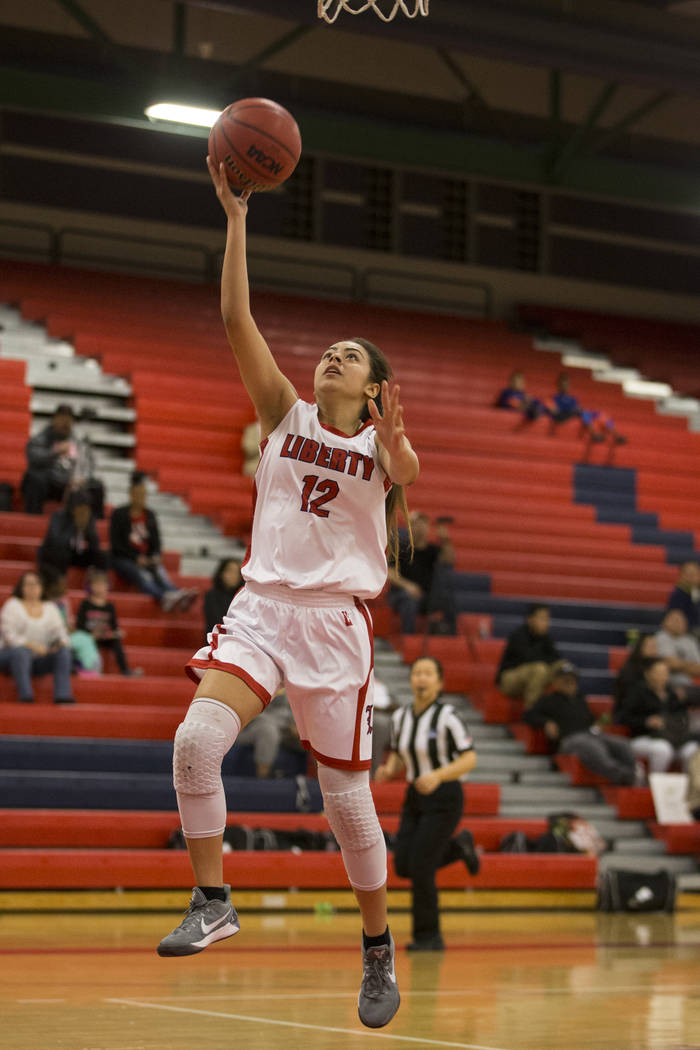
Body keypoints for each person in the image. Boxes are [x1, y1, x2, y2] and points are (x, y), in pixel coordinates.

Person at [156, 157, 419, 1031]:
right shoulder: (283, 414)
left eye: (348, 357)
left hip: (336, 629)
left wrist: (395, 439)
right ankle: (212, 899)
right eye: (329, 350)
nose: (329, 357)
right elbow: (236, 316)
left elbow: (408, 472)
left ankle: (377, 949)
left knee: (348, 803)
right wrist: (236, 217)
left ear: (372, 388)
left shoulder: (382, 451)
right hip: (263, 610)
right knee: (196, 743)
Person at [375, 657, 480, 951]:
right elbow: (399, 753)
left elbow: (470, 758)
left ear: (439, 682)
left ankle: (429, 936)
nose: (421, 678)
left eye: (428, 673)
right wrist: (389, 769)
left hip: (445, 795)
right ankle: (459, 847)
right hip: (415, 796)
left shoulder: (448, 716)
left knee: (422, 866)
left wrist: (438, 775)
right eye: (417, 673)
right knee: (404, 865)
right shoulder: (401, 717)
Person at [524, 661, 640, 786]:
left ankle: (635, 774)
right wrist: (546, 722)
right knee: (592, 746)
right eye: (565, 680)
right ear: (556, 682)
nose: (570, 684)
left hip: (589, 734)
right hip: (568, 740)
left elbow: (590, 720)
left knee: (622, 744)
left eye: (573, 680)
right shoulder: (547, 700)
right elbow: (528, 715)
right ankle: (622, 776)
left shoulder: (580, 699)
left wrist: (598, 722)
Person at [110, 471, 197, 613]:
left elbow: (156, 542)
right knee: (143, 576)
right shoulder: (119, 514)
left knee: (159, 571)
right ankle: (163, 597)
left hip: (146, 558)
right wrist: (136, 558)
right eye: (138, 495)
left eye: (143, 495)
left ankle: (176, 593)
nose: (141, 498)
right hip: (124, 559)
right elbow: (116, 544)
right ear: (131, 495)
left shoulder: (150, 515)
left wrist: (155, 555)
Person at [0, 570, 74, 703]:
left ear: (42, 587)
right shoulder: (12, 605)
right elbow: (9, 635)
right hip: (10, 656)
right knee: (21, 652)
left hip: (39, 658)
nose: (32, 588)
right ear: (21, 587)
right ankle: (26, 696)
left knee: (64, 652)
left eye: (36, 584)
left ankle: (63, 696)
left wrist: (61, 643)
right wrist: (32, 646)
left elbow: (60, 632)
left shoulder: (50, 607)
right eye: (28, 584)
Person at [616, 657, 700, 773]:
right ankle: (654, 783)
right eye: (658, 673)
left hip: (673, 738)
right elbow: (623, 717)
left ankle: (688, 787)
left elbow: (682, 715)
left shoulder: (672, 694)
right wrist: (646, 721)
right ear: (647, 674)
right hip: (643, 737)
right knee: (663, 749)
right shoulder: (637, 693)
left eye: (665, 673)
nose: (662, 676)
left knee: (691, 749)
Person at [387, 512, 456, 635]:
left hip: (426, 596)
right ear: (409, 527)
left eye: (423, 524)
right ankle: (408, 638)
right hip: (401, 594)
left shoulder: (432, 550)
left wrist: (445, 540)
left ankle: (449, 636)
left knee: (449, 600)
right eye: (416, 524)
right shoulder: (401, 548)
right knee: (409, 601)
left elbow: (449, 559)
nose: (420, 527)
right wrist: (408, 586)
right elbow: (390, 574)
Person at [496, 604, 564, 707]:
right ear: (530, 619)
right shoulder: (518, 635)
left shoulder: (545, 637)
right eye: (542, 619)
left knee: (563, 666)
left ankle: (565, 710)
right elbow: (529, 658)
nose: (546, 623)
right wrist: (546, 660)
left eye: (547, 619)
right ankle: (531, 714)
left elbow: (557, 658)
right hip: (509, 679)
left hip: (536, 677)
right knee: (539, 669)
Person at [76, 570, 141, 677]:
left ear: (107, 586)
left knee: (117, 642)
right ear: (90, 586)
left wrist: (117, 633)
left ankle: (125, 670)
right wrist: (90, 634)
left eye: (102, 584)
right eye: (96, 584)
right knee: (88, 645)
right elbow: (80, 625)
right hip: (89, 637)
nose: (99, 587)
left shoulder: (110, 606)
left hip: (105, 636)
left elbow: (114, 626)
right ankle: (91, 670)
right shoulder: (85, 604)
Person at [21, 404, 78, 514]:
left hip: (66, 484)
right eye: (61, 418)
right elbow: (34, 458)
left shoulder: (77, 441)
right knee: (34, 479)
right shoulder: (42, 437)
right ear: (54, 419)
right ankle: (32, 519)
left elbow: (85, 464)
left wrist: (78, 478)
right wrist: (55, 452)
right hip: (46, 482)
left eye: (68, 419)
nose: (64, 422)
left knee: (94, 486)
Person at [37, 490, 107, 578]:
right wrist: (75, 525)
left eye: (86, 508)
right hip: (57, 553)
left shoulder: (89, 518)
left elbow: (95, 546)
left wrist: (88, 529)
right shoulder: (59, 516)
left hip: (76, 553)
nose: (83, 510)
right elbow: (56, 541)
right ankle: (58, 582)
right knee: (59, 553)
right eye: (81, 507)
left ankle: (99, 584)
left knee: (102, 556)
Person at [548, 372, 626, 444]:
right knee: (584, 413)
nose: (566, 386)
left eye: (567, 384)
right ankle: (594, 434)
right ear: (559, 385)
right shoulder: (555, 398)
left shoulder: (572, 398)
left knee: (599, 414)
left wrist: (580, 409)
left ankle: (616, 435)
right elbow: (555, 410)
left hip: (576, 413)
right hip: (565, 414)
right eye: (563, 384)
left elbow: (577, 407)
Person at [654, 609, 700, 703]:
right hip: (665, 684)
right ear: (664, 623)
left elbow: (698, 669)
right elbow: (670, 663)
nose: (678, 623)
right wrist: (689, 666)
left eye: (681, 620)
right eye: (674, 620)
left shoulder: (691, 641)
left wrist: (679, 665)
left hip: (688, 685)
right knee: (676, 695)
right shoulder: (660, 638)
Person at [613, 632, 658, 720]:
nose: (654, 650)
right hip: (631, 715)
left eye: (655, 646)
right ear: (640, 647)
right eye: (650, 646)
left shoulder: (657, 667)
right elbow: (628, 701)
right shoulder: (629, 671)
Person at [203, 558, 244, 636]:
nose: (234, 575)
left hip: (238, 640)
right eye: (230, 571)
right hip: (216, 640)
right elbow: (216, 622)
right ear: (221, 573)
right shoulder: (211, 596)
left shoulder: (243, 597)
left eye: (237, 572)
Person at [666, 561, 700, 635]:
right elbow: (675, 618)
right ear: (682, 576)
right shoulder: (678, 594)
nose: (692, 578)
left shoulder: (696, 590)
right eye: (689, 574)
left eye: (695, 574)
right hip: (687, 630)